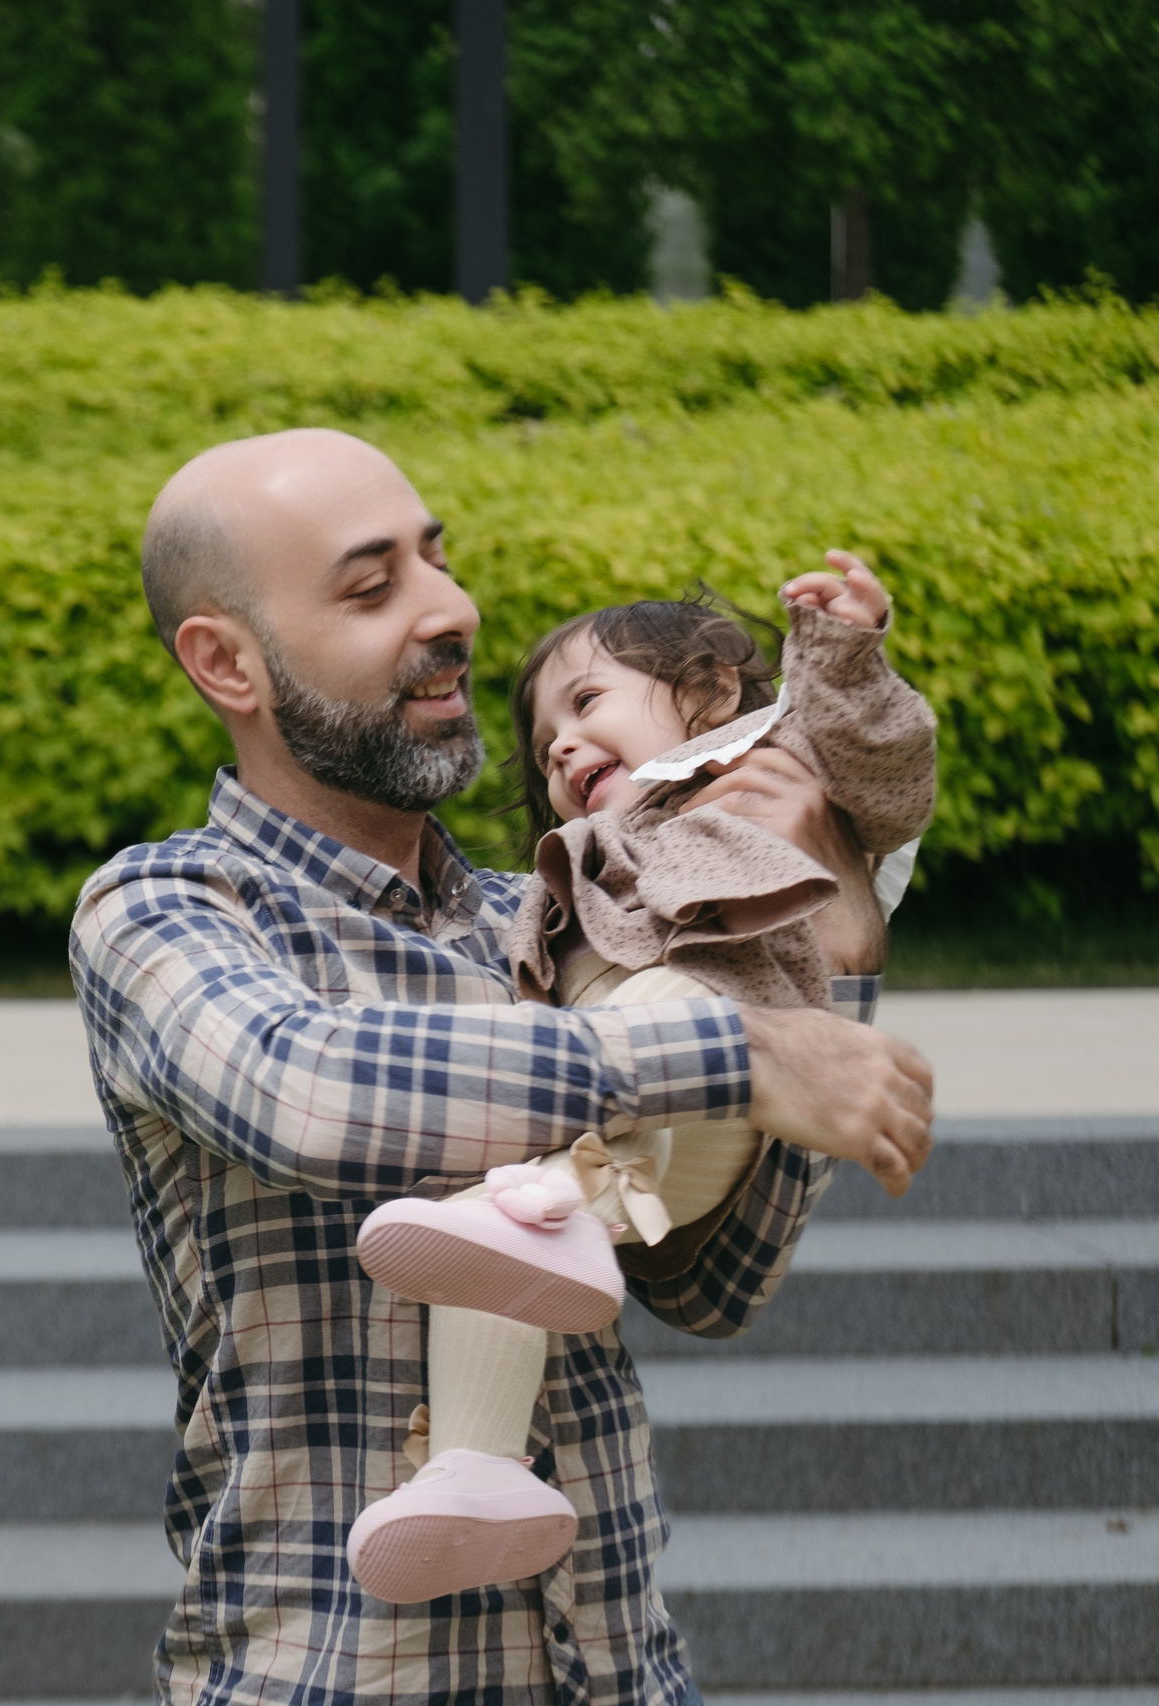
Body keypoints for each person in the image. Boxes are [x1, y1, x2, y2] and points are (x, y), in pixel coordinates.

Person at [69, 428, 934, 1705]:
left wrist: (835, 950)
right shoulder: (168, 909)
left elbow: (710, 1282)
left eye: (438, 559)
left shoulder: (542, 920)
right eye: (374, 586)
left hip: (613, 1669)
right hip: (333, 1672)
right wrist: (733, 1047)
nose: (451, 609)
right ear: (226, 662)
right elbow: (305, 1088)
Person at [346, 567, 937, 1607]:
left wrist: (841, 651)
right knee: (491, 1236)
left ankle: (571, 1194)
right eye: (546, 745)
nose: (562, 747)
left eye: (586, 703)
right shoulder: (575, 868)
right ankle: (476, 1468)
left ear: (709, 693)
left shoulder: (756, 769)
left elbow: (881, 764)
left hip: (709, 1098)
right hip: (605, 1149)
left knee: (666, 1000)